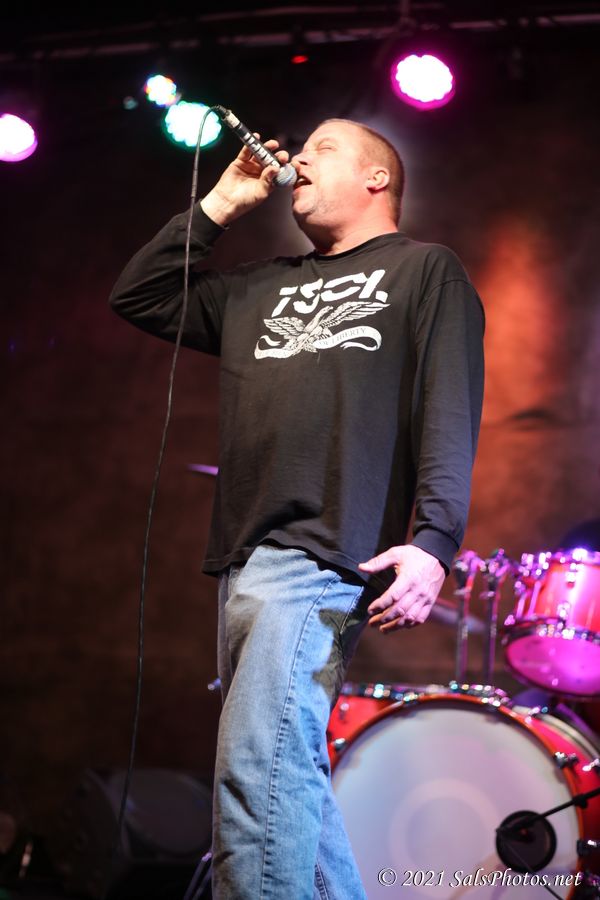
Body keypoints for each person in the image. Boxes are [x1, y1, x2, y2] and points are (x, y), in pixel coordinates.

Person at [109, 118, 485, 900]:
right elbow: (138, 295)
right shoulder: (259, 287)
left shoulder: (423, 271)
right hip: (243, 557)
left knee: (256, 774)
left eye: (325, 150)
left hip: (325, 552)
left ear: (378, 178)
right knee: (286, 776)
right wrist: (220, 204)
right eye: (302, 152)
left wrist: (435, 541)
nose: (300, 160)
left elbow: (451, 407)